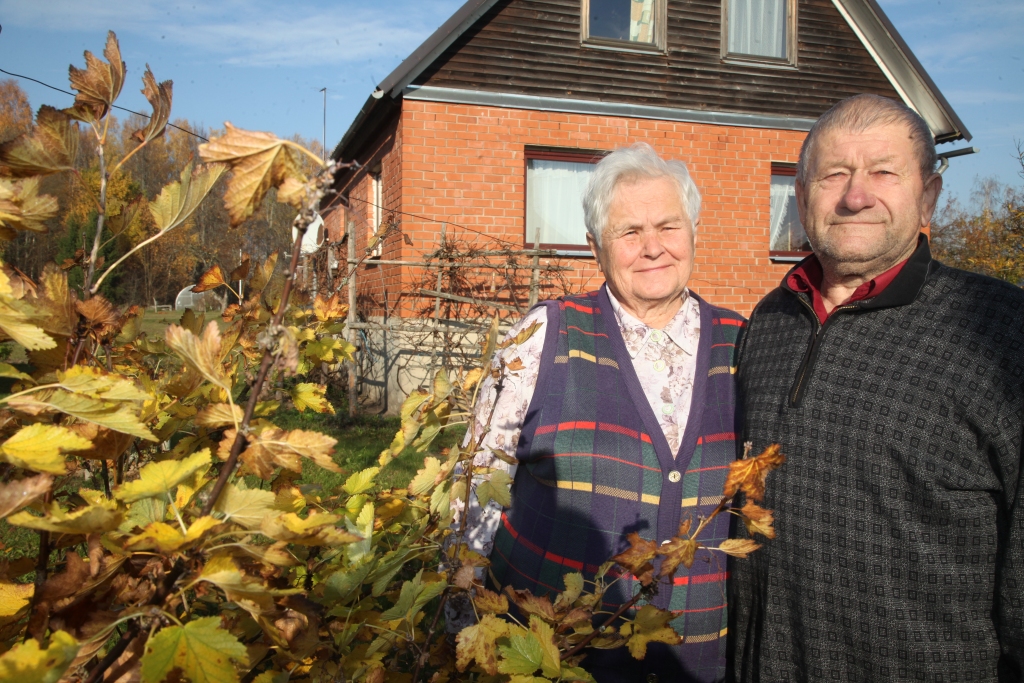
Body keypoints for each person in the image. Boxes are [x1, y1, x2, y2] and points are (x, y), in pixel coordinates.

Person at [731, 93, 1024, 681]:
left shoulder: (1003, 336)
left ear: (929, 197)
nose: (855, 195)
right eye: (833, 174)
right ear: (801, 193)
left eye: (883, 172)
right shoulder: (766, 324)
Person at [451, 142, 745, 682]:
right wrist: (457, 623)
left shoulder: (743, 347)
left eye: (668, 227)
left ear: (694, 233)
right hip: (556, 658)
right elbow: (476, 487)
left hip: (700, 663)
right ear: (596, 248)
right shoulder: (545, 336)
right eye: (629, 232)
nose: (653, 247)